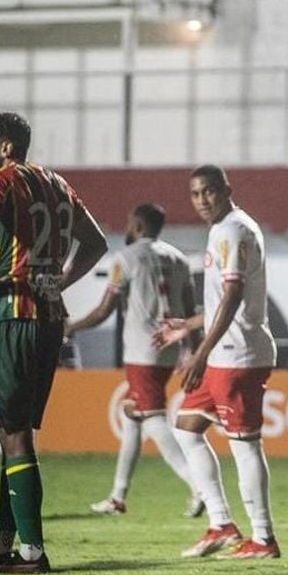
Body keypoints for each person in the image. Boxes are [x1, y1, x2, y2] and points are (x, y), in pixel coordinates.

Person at [0, 112, 108, 573]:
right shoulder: (56, 182)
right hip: (48, 318)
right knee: (14, 431)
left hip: (12, 315)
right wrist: (57, 282)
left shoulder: (1, 180)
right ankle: (3, 544)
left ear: (6, 147)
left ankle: (32, 552)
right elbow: (97, 242)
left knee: (14, 432)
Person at [153, 165, 280, 560]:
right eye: (195, 194)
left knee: (244, 445)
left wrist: (199, 354)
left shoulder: (234, 229)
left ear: (226, 189)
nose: (202, 200)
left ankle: (262, 539)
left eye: (209, 191)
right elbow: (221, 303)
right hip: (224, 354)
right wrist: (187, 326)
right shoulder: (223, 229)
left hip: (237, 355)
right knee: (187, 428)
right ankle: (221, 524)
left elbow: (233, 296)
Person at [64, 203, 204, 518]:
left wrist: (72, 326)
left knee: (153, 418)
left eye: (129, 221)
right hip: (169, 347)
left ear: (138, 224)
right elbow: (190, 309)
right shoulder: (180, 259)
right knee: (132, 415)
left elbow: (104, 310)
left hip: (142, 349)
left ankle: (200, 487)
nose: (126, 226)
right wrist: (191, 350)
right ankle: (117, 496)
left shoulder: (124, 259)